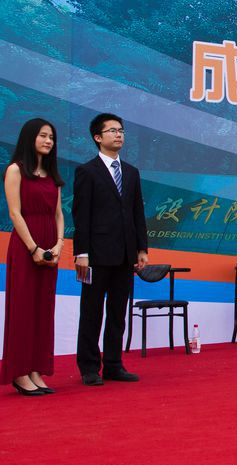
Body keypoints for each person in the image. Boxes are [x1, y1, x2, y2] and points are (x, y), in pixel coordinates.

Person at [73, 113, 149, 386]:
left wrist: (142, 248)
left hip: (125, 254)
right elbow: (81, 215)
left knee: (118, 312)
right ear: (98, 137)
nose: (119, 135)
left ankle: (114, 365)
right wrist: (81, 253)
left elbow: (137, 212)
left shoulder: (131, 172)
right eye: (112, 131)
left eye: (121, 131)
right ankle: (89, 367)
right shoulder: (87, 171)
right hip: (95, 255)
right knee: (91, 312)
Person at [1, 118, 64, 396]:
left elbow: (59, 214)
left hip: (50, 245)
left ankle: (36, 369)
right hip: (26, 245)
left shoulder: (52, 175)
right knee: (23, 309)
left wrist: (59, 244)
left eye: (51, 137)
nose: (48, 141)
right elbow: (15, 213)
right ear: (29, 137)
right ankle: (19, 372)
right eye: (43, 136)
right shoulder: (15, 170)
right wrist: (34, 248)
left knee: (43, 310)